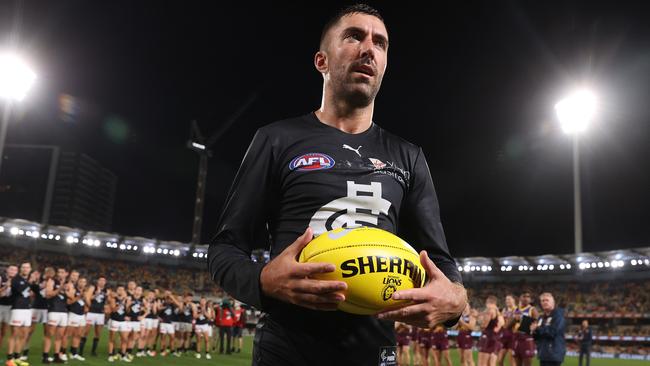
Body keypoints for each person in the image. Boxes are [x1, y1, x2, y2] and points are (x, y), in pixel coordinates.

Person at [207, 4, 466, 365]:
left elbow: (438, 259)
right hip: (286, 351)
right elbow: (224, 249)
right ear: (321, 61)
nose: (368, 49)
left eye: (381, 43)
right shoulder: (276, 139)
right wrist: (263, 280)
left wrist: (456, 298)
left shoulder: (409, 156)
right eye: (354, 36)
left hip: (374, 353)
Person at [6, 262, 33, 366]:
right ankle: (10, 359)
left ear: (30, 269)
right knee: (14, 334)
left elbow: (34, 293)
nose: (26, 269)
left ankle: (17, 358)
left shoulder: (28, 281)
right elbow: (22, 291)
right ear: (21, 269)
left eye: (27, 267)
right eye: (24, 267)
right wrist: (30, 283)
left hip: (27, 309)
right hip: (17, 309)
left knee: (24, 335)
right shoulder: (16, 279)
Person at [531, 293, 566, 366]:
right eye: (542, 301)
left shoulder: (558, 316)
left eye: (547, 300)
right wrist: (533, 331)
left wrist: (538, 328)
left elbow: (552, 332)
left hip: (553, 354)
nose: (545, 302)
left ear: (553, 302)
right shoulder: (541, 318)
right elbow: (537, 337)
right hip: (543, 354)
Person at [44, 267, 69, 363]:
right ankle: (45, 356)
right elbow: (48, 294)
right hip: (54, 310)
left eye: (62, 272)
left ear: (66, 274)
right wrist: (60, 289)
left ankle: (56, 356)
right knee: (49, 334)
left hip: (63, 312)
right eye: (59, 272)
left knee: (60, 336)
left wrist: (68, 291)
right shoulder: (52, 281)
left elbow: (70, 297)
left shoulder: (68, 284)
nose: (60, 274)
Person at [65, 277, 92, 361]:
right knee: (68, 335)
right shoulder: (73, 290)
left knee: (78, 335)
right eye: (80, 281)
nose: (82, 283)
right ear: (78, 283)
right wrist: (79, 297)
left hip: (82, 315)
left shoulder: (85, 292)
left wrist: (86, 298)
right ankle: (62, 352)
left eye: (84, 282)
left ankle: (73, 353)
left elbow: (89, 305)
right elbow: (69, 302)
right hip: (73, 314)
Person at [512, 291, 538, 366]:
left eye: (528, 297)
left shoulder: (533, 310)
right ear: (520, 298)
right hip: (516, 338)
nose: (526, 298)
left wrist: (522, 319)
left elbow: (536, 325)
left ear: (530, 299)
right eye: (524, 296)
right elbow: (508, 325)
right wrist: (513, 318)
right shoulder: (515, 309)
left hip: (526, 339)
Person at [107, 285, 132, 362]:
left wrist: (127, 305)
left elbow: (128, 312)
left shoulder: (127, 300)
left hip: (123, 322)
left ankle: (122, 355)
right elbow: (114, 310)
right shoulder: (113, 299)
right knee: (112, 339)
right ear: (117, 291)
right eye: (119, 289)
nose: (120, 291)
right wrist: (122, 302)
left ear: (124, 291)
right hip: (114, 320)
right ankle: (110, 355)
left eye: (122, 290)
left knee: (124, 339)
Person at [84, 276, 107, 357]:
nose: (102, 281)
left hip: (100, 314)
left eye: (103, 280)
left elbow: (109, 300)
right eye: (100, 280)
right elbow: (87, 298)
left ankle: (93, 351)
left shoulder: (106, 290)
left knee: (98, 333)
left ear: (105, 282)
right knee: (86, 331)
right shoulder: (93, 288)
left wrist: (106, 308)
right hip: (91, 313)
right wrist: (90, 305)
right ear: (98, 281)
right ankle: (79, 351)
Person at [478, 296, 503, 366]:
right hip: (494, 337)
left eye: (487, 303)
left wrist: (480, 321)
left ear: (489, 302)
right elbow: (502, 323)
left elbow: (484, 325)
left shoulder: (490, 310)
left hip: (488, 337)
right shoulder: (498, 312)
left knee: (482, 363)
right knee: (491, 363)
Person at [0, 265, 18, 354]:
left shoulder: (18, 281)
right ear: (7, 270)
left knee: (4, 331)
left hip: (10, 307)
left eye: (15, 270)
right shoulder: (1, 278)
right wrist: (6, 287)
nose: (12, 271)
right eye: (11, 269)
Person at [497, 295, 516, 366]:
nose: (507, 301)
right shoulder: (504, 310)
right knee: (499, 360)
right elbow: (500, 322)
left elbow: (507, 324)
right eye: (506, 299)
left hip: (513, 337)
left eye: (509, 299)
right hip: (504, 336)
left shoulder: (517, 310)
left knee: (512, 361)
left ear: (514, 300)